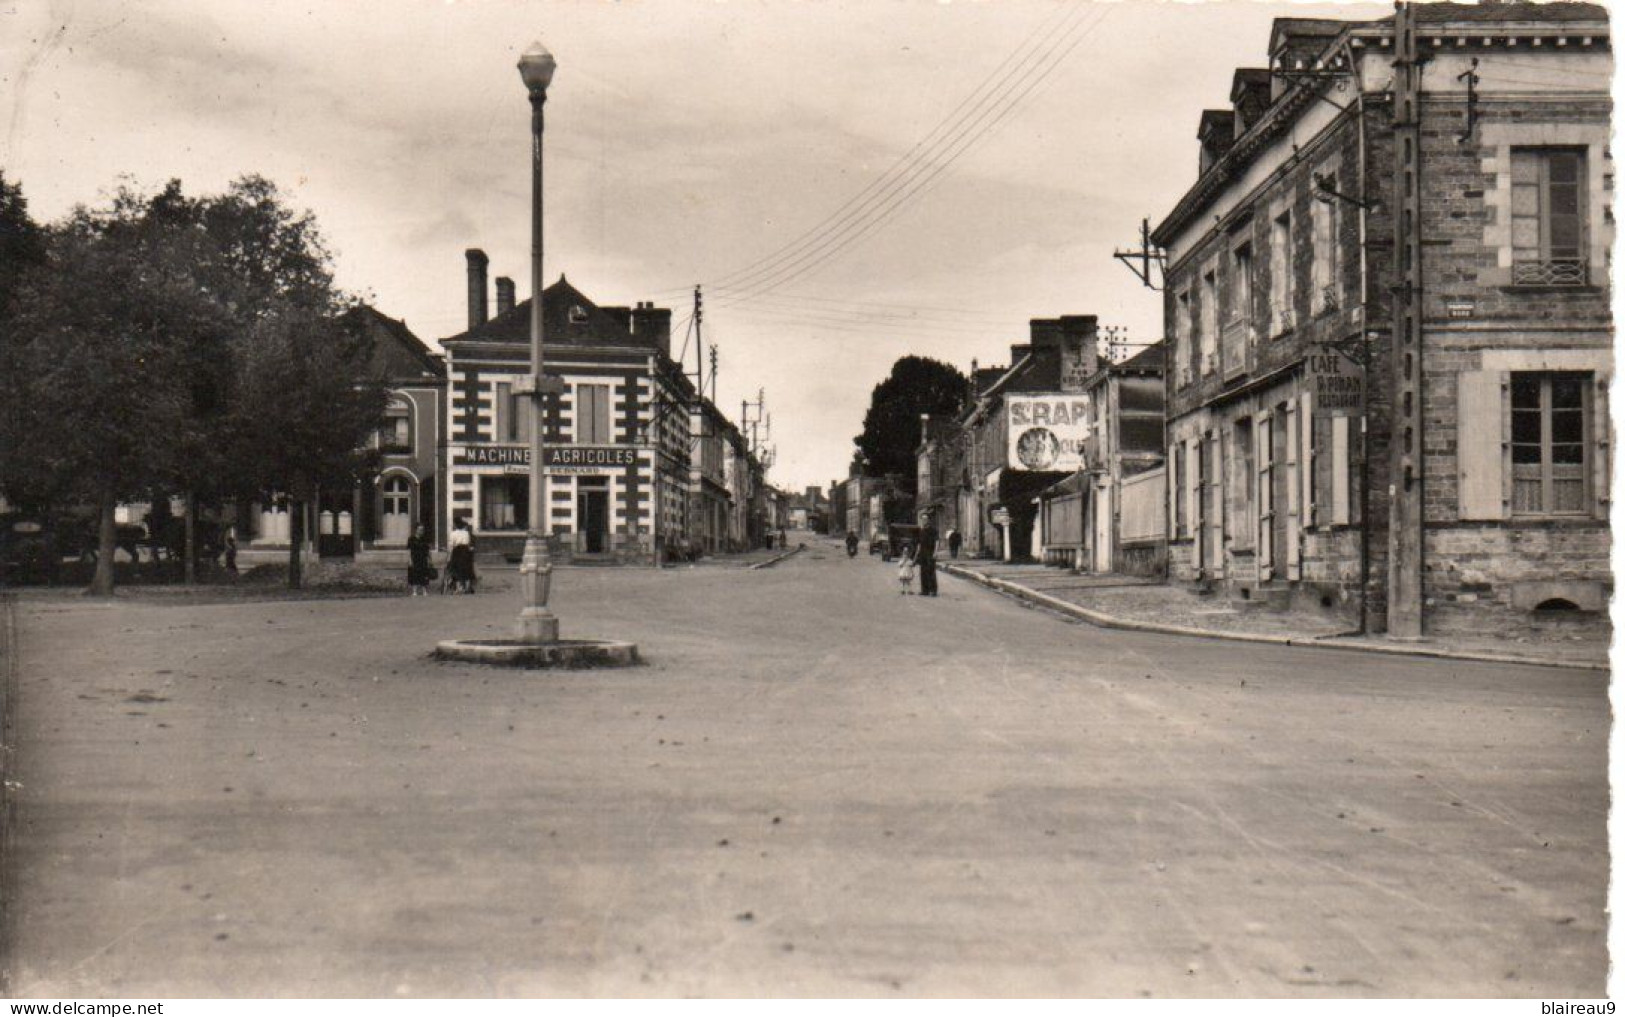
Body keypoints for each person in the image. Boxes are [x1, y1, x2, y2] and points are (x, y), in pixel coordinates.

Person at [447, 517, 476, 594]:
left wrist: (449, 557)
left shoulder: (453, 534)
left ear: (455, 525)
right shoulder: (466, 533)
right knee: (466, 569)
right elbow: (468, 543)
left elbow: (451, 545)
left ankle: (458, 588)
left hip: (457, 552)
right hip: (465, 552)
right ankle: (467, 588)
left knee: (456, 569)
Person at [915, 512, 940, 597]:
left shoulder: (933, 530)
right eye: (922, 519)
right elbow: (919, 544)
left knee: (931, 571)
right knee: (923, 572)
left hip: (930, 553)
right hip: (923, 553)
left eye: (925, 519)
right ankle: (924, 590)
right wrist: (916, 555)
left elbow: (937, 541)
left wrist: (935, 552)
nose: (924, 520)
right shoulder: (921, 530)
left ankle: (933, 590)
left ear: (928, 520)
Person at [406, 524, 434, 596]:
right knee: (414, 574)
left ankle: (424, 591)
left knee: (424, 574)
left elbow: (428, 550)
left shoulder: (425, 539)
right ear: (416, 530)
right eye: (420, 529)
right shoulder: (411, 539)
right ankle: (414, 591)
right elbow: (409, 550)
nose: (421, 531)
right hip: (415, 558)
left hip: (423, 558)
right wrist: (410, 560)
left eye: (422, 530)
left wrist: (430, 559)